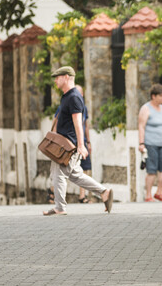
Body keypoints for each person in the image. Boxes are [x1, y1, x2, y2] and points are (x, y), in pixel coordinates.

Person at [43, 66, 113, 216]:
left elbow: (78, 123)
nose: (55, 80)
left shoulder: (74, 97)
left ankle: (60, 207)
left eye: (58, 77)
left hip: (67, 145)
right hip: (65, 143)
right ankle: (104, 192)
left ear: (67, 77)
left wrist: (81, 145)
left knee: (59, 174)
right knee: (75, 175)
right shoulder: (67, 96)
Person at [46, 85, 92, 204]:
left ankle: (83, 196)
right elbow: (56, 121)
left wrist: (88, 142)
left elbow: (84, 125)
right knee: (64, 170)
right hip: (67, 143)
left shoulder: (84, 108)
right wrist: (55, 140)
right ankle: (54, 194)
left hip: (80, 142)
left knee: (84, 168)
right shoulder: (64, 104)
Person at [138, 84, 162, 202]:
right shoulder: (146, 108)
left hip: (161, 143)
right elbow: (141, 126)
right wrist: (141, 143)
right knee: (152, 171)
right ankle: (148, 195)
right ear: (153, 96)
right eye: (161, 96)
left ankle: (159, 192)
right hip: (150, 144)